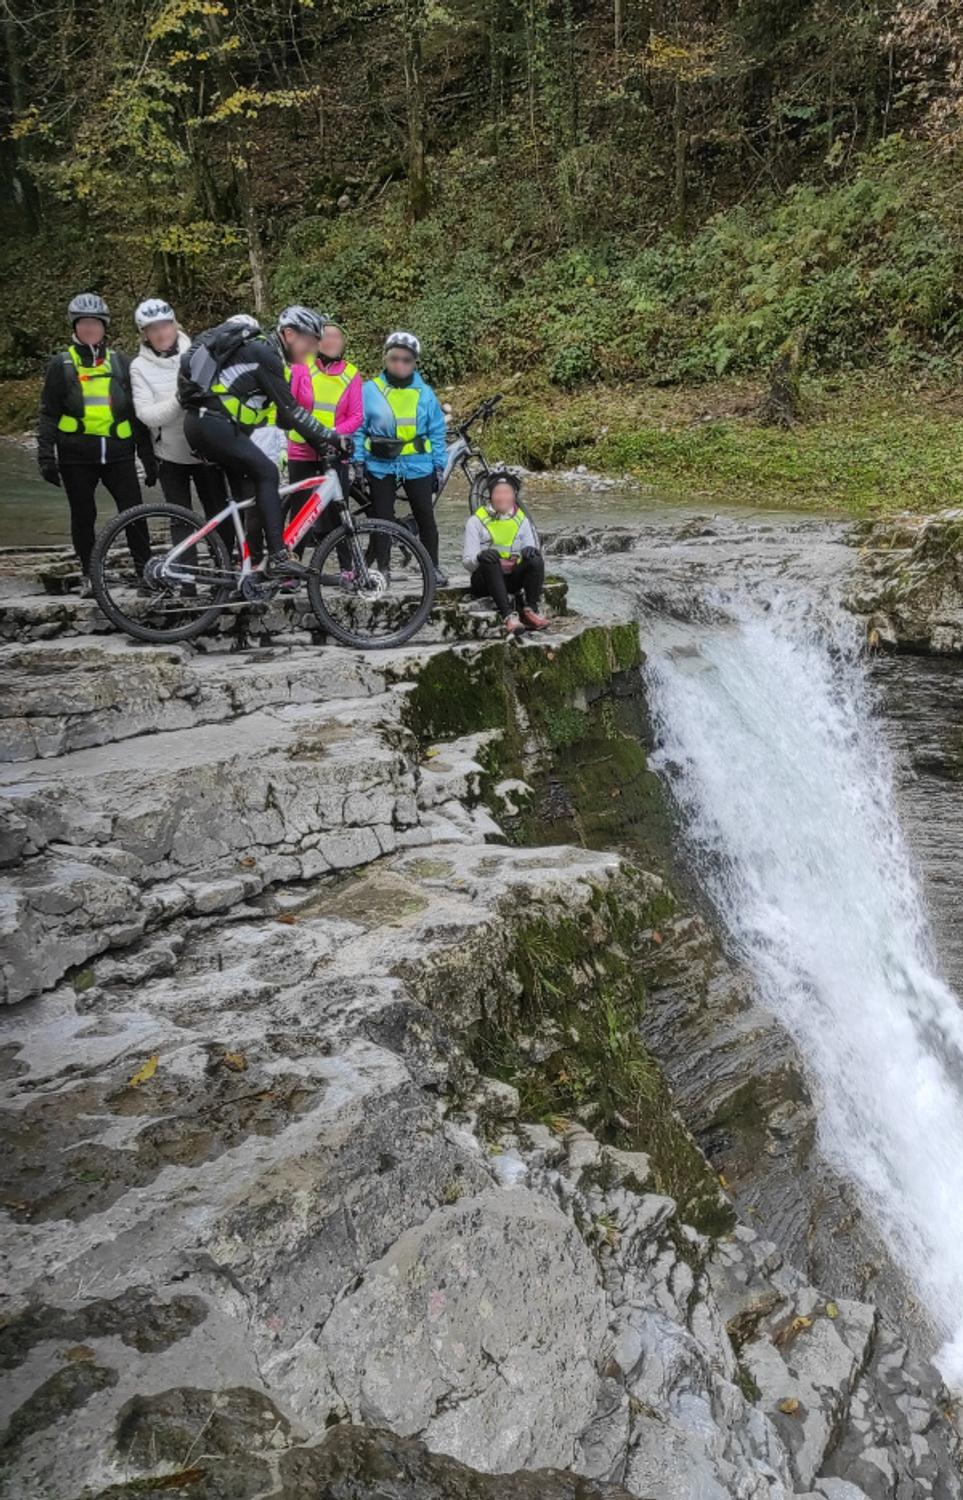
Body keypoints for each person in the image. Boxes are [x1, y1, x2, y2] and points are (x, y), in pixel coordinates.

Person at [178, 306, 337, 578]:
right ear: (289, 334)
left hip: (210, 424)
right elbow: (293, 412)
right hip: (212, 424)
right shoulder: (265, 355)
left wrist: (321, 445)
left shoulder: (264, 355)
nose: (312, 351)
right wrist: (333, 437)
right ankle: (278, 555)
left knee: (250, 495)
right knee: (268, 472)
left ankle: (246, 570)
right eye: (309, 342)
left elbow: (286, 420)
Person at [37, 293, 153, 595]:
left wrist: (148, 456)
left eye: (95, 324)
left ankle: (146, 572)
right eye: (84, 324)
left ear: (105, 327)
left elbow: (136, 414)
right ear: (75, 327)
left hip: (118, 454)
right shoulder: (61, 365)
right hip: (76, 456)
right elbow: (49, 412)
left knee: (134, 513)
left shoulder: (120, 363)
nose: (90, 329)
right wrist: (45, 455)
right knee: (84, 516)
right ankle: (91, 575)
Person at [129, 298, 230, 550]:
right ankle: (185, 579)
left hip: (206, 449)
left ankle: (224, 568)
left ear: (175, 325)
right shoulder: (138, 368)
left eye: (165, 326)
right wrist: (179, 398)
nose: (161, 333)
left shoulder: (197, 353)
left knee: (219, 512)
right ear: (145, 335)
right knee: (179, 518)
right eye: (153, 329)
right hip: (169, 455)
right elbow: (147, 415)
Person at [354, 331, 448, 586]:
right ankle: (382, 569)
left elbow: (437, 431)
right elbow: (359, 428)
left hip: (418, 464)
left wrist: (439, 465)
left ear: (414, 362)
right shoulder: (369, 390)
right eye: (395, 358)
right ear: (386, 358)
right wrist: (358, 460)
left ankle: (432, 568)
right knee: (382, 517)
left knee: (424, 516)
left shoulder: (425, 393)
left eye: (406, 360)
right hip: (380, 463)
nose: (400, 364)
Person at [287, 316, 362, 576]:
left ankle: (347, 567)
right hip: (302, 449)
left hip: (333, 452)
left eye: (336, 336)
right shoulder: (302, 366)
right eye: (325, 335)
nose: (331, 341)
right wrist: (312, 434)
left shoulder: (351, 373)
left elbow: (356, 416)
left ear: (343, 343)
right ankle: (291, 567)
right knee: (300, 512)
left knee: (337, 511)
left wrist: (331, 435)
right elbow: (291, 406)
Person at [463, 470, 549, 635]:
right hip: (485, 579)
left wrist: (530, 550)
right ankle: (508, 615)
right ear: (491, 495)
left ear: (514, 495)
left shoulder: (522, 520)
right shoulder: (475, 521)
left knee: (535, 559)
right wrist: (479, 557)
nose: (502, 497)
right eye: (498, 493)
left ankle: (530, 610)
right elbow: (467, 562)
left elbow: (531, 549)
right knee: (491, 557)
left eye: (506, 492)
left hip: (511, 579)